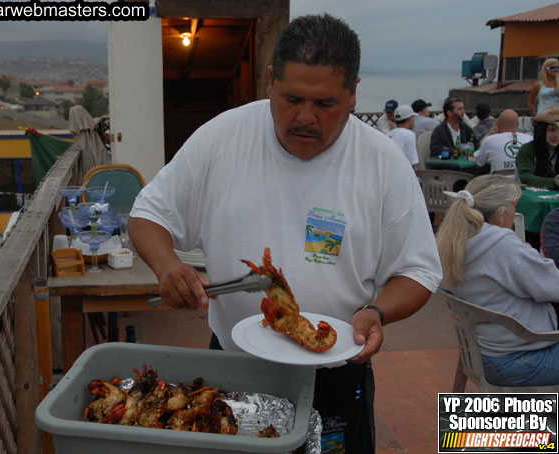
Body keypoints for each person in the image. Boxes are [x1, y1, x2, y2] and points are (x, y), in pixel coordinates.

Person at [128, 14, 442, 453]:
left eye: (326, 104)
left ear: (353, 95)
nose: (306, 118)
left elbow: (419, 270)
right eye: (292, 98)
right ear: (271, 81)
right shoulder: (223, 138)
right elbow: (147, 215)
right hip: (234, 368)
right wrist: (168, 265)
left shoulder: (382, 162)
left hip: (337, 370)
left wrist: (378, 311)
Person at [436, 175, 559, 386]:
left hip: (482, 350)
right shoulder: (502, 246)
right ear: (502, 214)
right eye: (514, 207)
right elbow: (553, 286)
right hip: (516, 359)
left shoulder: (457, 239)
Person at [516, 106, 559, 189]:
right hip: (529, 198)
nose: (557, 135)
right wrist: (554, 182)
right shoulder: (527, 150)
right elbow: (526, 178)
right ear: (541, 131)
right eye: (552, 130)